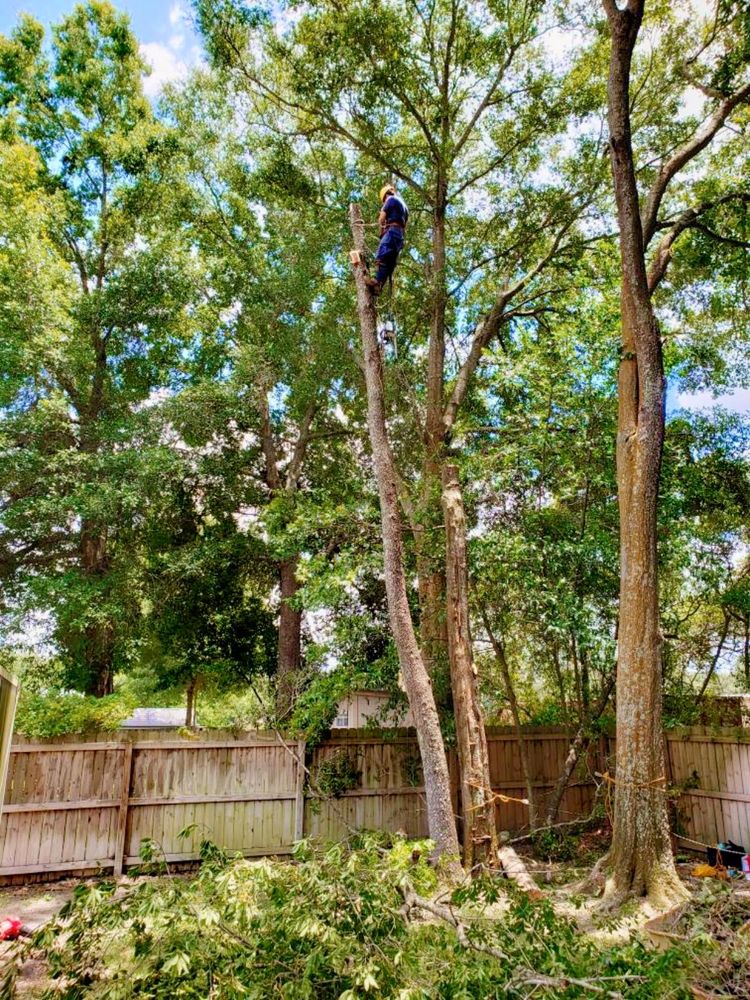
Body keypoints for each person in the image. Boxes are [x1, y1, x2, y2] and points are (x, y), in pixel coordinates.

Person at [364, 184, 409, 294]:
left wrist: (382, 226)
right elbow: (404, 223)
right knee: (389, 262)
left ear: (384, 196)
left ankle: (375, 281)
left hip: (392, 231)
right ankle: (378, 285)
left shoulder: (390, 200)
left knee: (382, 254)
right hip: (399, 236)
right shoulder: (404, 207)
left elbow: (381, 219)